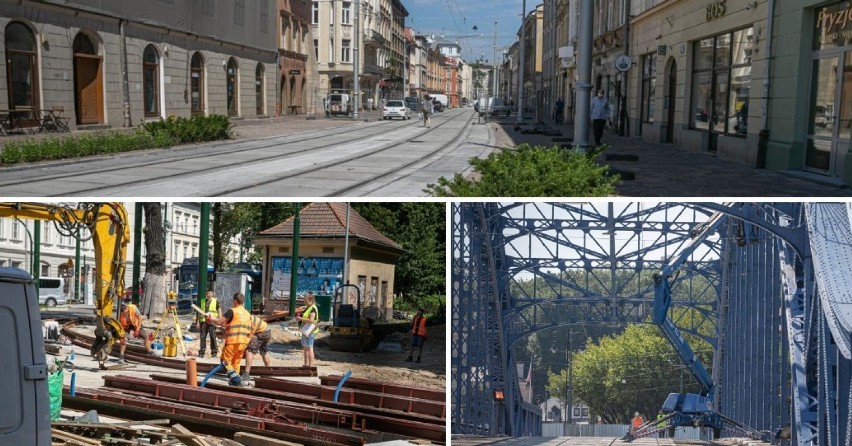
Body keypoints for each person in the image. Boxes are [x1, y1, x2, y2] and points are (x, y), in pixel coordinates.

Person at [206, 292, 252, 386]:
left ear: (235, 301)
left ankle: (235, 378)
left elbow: (219, 321)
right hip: (243, 343)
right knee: (236, 362)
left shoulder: (232, 311)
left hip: (232, 341)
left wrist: (211, 319)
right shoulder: (247, 314)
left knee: (225, 361)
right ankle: (234, 382)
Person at [117, 298, 152, 364]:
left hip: (136, 324)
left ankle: (150, 352)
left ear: (126, 308)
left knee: (146, 337)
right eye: (122, 313)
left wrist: (137, 330)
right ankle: (121, 357)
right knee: (123, 340)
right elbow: (119, 324)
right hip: (126, 326)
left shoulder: (134, 308)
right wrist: (120, 336)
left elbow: (140, 319)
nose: (124, 314)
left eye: (125, 312)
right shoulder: (120, 312)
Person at [242, 314, 271, 382]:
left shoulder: (246, 322)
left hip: (261, 332)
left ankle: (246, 374)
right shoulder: (247, 318)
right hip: (267, 330)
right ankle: (268, 372)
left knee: (249, 350)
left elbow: (249, 336)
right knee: (264, 351)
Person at [297, 292, 320, 367]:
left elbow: (311, 320)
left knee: (310, 348)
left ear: (311, 301)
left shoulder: (313, 308)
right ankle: (306, 364)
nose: (305, 302)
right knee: (305, 348)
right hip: (305, 331)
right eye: (304, 300)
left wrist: (300, 318)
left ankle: (310, 365)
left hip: (310, 331)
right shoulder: (308, 307)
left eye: (306, 301)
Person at [197, 289, 221, 358]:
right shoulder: (202, 301)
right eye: (207, 293)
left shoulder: (215, 301)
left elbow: (219, 311)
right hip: (203, 322)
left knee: (213, 336)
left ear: (212, 294)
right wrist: (198, 322)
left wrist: (219, 321)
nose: (208, 295)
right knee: (202, 337)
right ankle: (201, 353)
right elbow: (199, 312)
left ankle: (214, 353)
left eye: (209, 293)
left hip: (212, 321)